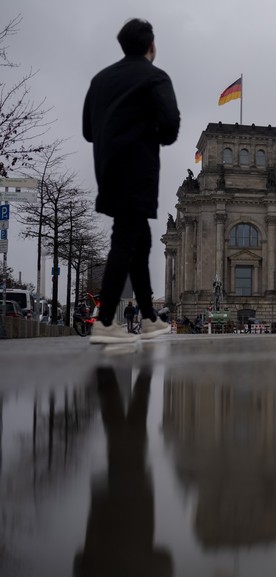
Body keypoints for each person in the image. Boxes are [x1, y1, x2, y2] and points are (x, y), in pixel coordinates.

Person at [83, 18, 180, 344]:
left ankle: (150, 318)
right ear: (151, 46)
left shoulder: (99, 80)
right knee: (125, 239)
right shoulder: (155, 77)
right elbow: (170, 125)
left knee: (141, 241)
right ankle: (106, 320)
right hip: (138, 170)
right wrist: (146, 133)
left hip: (107, 170)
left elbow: (87, 130)